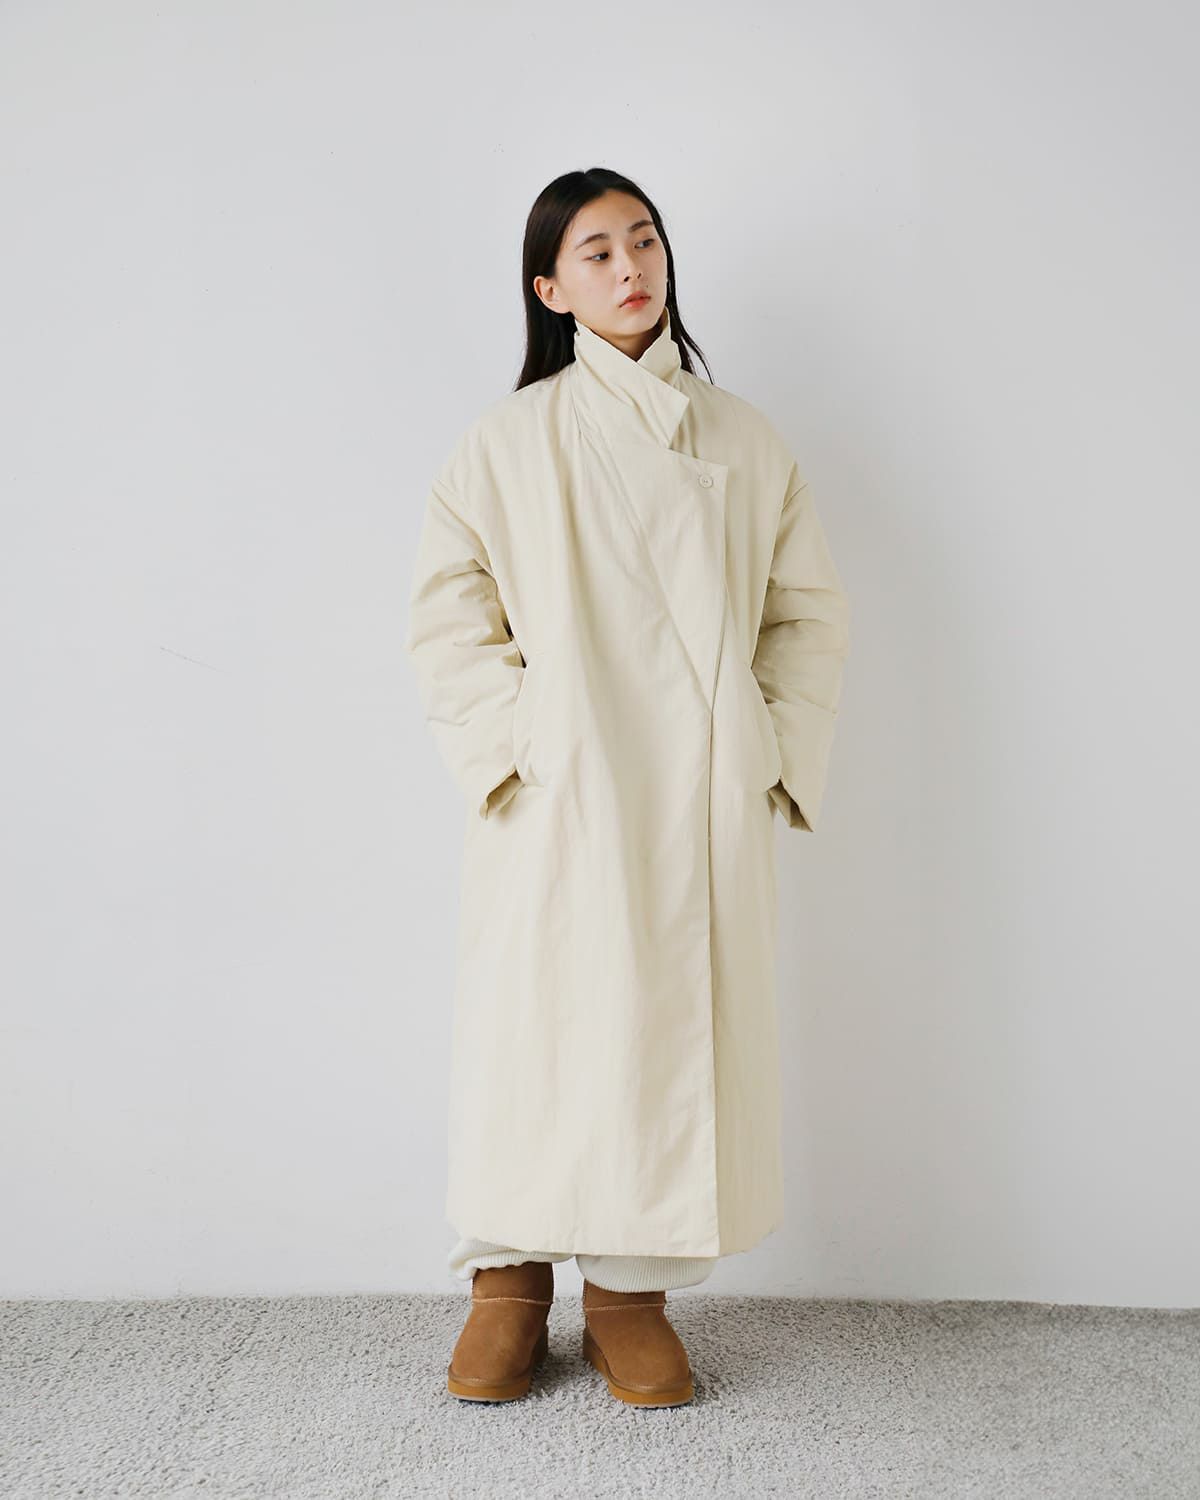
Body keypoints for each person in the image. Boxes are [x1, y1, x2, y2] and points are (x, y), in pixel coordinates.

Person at [405, 167, 851, 1406]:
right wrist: (518, 745)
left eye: (642, 240)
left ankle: (628, 1294)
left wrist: (765, 746)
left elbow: (807, 613)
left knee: (664, 1030)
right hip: (558, 791)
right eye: (594, 252)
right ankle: (507, 1281)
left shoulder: (744, 439)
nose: (629, 267)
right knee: (535, 1023)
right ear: (550, 289)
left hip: (696, 794)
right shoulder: (506, 443)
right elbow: (448, 616)